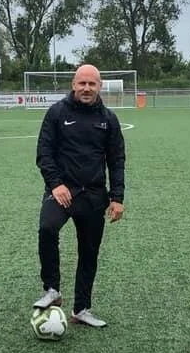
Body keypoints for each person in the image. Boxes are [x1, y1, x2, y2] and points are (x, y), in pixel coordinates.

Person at [32, 64, 126, 327]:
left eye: (92, 84)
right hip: (62, 191)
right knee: (47, 228)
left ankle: (81, 309)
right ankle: (52, 289)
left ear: (99, 87)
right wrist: (55, 184)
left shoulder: (108, 119)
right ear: (73, 84)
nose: (86, 88)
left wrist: (117, 197)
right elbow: (44, 153)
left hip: (94, 195)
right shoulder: (57, 113)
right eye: (82, 83)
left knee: (89, 252)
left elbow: (116, 160)